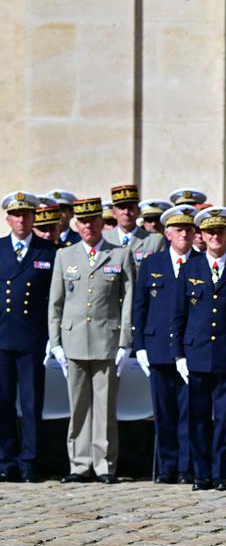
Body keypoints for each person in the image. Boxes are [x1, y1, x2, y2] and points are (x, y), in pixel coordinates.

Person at [48, 197, 135, 484]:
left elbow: (127, 301)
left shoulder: (119, 255)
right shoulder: (65, 255)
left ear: (101, 222)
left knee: (105, 407)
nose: (88, 226)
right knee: (79, 407)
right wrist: (56, 341)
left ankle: (104, 464)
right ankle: (79, 463)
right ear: (76, 224)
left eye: (93, 220)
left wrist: (125, 342)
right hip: (74, 340)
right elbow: (56, 303)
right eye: (83, 222)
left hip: (106, 339)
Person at [171, 207, 226, 491]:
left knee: (224, 420)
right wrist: (179, 355)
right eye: (210, 232)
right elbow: (178, 315)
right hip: (196, 355)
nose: (215, 236)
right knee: (196, 419)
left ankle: (221, 474)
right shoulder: (189, 269)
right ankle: (201, 474)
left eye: (221, 231)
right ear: (202, 236)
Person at [132, 205, 197, 484]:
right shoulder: (152, 263)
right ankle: (166, 466)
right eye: (179, 229)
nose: (184, 234)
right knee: (164, 412)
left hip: (191, 348)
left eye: (189, 229)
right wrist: (140, 346)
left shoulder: (201, 262)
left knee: (189, 412)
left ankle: (186, 467)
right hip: (157, 346)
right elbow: (140, 306)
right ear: (167, 233)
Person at [0, 192, 56, 482]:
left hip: (33, 337)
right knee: (3, 402)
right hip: (2, 337)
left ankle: (30, 461)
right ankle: (6, 460)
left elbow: (54, 297)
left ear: (34, 218)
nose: (21, 220)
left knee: (32, 404)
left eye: (26, 215)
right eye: (16, 215)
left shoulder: (48, 251)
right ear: (8, 218)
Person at [102, 185, 166, 266]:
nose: (126, 212)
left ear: (138, 211)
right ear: (114, 213)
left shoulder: (154, 241)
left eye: (130, 208)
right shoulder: (102, 239)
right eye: (122, 208)